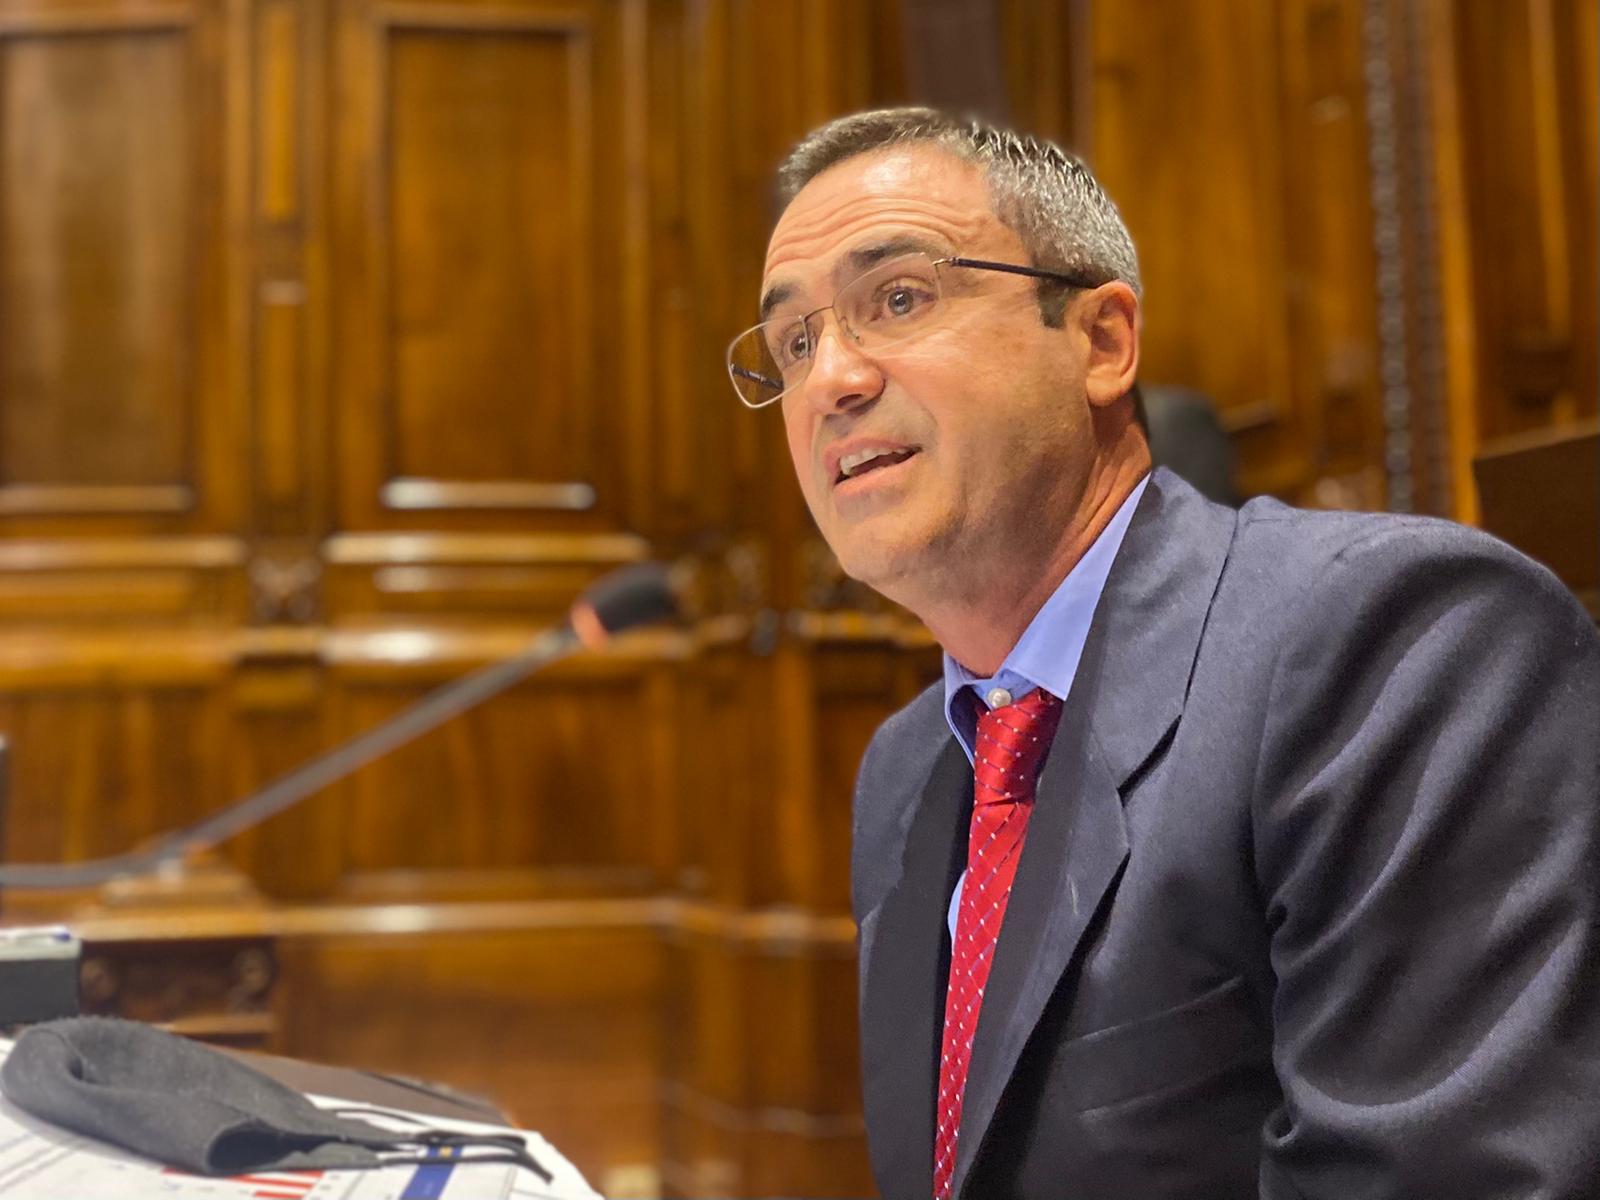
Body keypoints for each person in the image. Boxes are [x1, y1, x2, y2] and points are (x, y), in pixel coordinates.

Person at [726, 107, 1600, 1200]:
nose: (830, 381)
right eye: (793, 343)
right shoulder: (909, 768)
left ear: (1101, 341)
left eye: (898, 299)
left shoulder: (1393, 643)